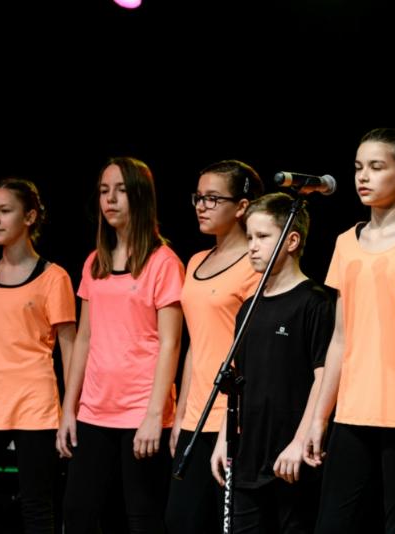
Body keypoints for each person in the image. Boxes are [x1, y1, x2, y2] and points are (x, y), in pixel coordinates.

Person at [303, 127, 395, 534]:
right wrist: (320, 417)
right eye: (358, 168)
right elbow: (340, 338)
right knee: (334, 523)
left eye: (376, 167)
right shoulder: (345, 243)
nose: (363, 177)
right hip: (354, 410)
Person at [57, 157, 184, 533]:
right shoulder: (94, 263)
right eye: (103, 191)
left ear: (141, 196)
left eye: (121, 190)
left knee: (142, 517)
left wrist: (153, 415)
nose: (110, 199)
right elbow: (84, 339)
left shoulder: (163, 263)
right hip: (95, 410)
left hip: (141, 410)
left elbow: (170, 343)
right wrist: (69, 409)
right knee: (77, 512)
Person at [210, 192, 334, 532]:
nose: (252, 246)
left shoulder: (315, 303)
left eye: (263, 237)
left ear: (292, 240)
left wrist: (299, 441)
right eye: (249, 237)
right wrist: (223, 440)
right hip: (248, 457)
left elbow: (324, 378)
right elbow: (237, 381)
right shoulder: (247, 308)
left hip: (290, 460)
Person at [0, 178, 76, 533]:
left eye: (5, 211)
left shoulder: (54, 277)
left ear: (29, 217)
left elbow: (69, 345)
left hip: (34, 404)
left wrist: (70, 409)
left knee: (36, 505)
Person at [165, 160, 264, 533]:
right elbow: (197, 343)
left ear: (241, 206)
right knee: (180, 521)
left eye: (212, 198)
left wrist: (228, 424)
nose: (201, 206)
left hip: (233, 417)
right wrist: (181, 415)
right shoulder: (195, 261)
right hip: (195, 417)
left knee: (225, 523)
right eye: (198, 197)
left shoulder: (254, 266)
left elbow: (252, 353)